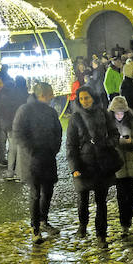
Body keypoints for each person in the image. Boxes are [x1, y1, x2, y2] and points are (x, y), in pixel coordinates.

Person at [11, 81, 62, 242]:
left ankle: (43, 220)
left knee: (48, 192)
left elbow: (58, 131)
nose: (52, 97)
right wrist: (32, 150)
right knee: (35, 193)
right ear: (42, 95)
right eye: (50, 94)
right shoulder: (25, 110)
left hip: (48, 157)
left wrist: (54, 148)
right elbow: (18, 133)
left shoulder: (50, 111)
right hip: (32, 160)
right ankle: (36, 228)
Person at [66, 90, 114, 242]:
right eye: (81, 99)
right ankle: (83, 225)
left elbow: (114, 134)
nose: (84, 101)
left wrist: (106, 143)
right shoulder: (75, 118)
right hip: (83, 164)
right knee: (83, 198)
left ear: (93, 98)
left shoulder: (104, 114)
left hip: (101, 163)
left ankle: (101, 233)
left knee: (101, 201)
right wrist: (74, 167)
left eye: (87, 98)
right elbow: (71, 145)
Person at [107, 95, 133, 238]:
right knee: (121, 194)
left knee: (131, 194)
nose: (119, 115)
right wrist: (117, 142)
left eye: (121, 112)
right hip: (117, 165)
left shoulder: (132, 121)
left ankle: (128, 219)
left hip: (130, 163)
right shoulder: (108, 123)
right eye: (116, 112)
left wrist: (130, 142)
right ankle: (124, 223)